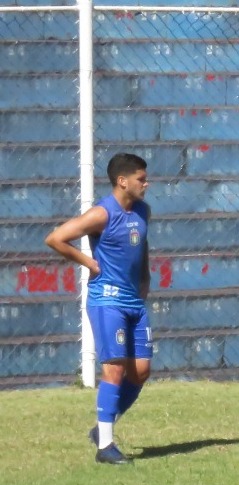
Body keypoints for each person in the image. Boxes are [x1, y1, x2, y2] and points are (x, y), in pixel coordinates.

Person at [45, 152, 153, 466]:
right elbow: (56, 238)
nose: (146, 184)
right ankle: (105, 446)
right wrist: (89, 262)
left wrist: (145, 275)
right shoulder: (102, 214)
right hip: (108, 300)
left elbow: (141, 244)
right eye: (141, 179)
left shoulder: (143, 211)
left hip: (134, 301)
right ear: (123, 181)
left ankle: (101, 429)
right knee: (114, 369)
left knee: (142, 371)